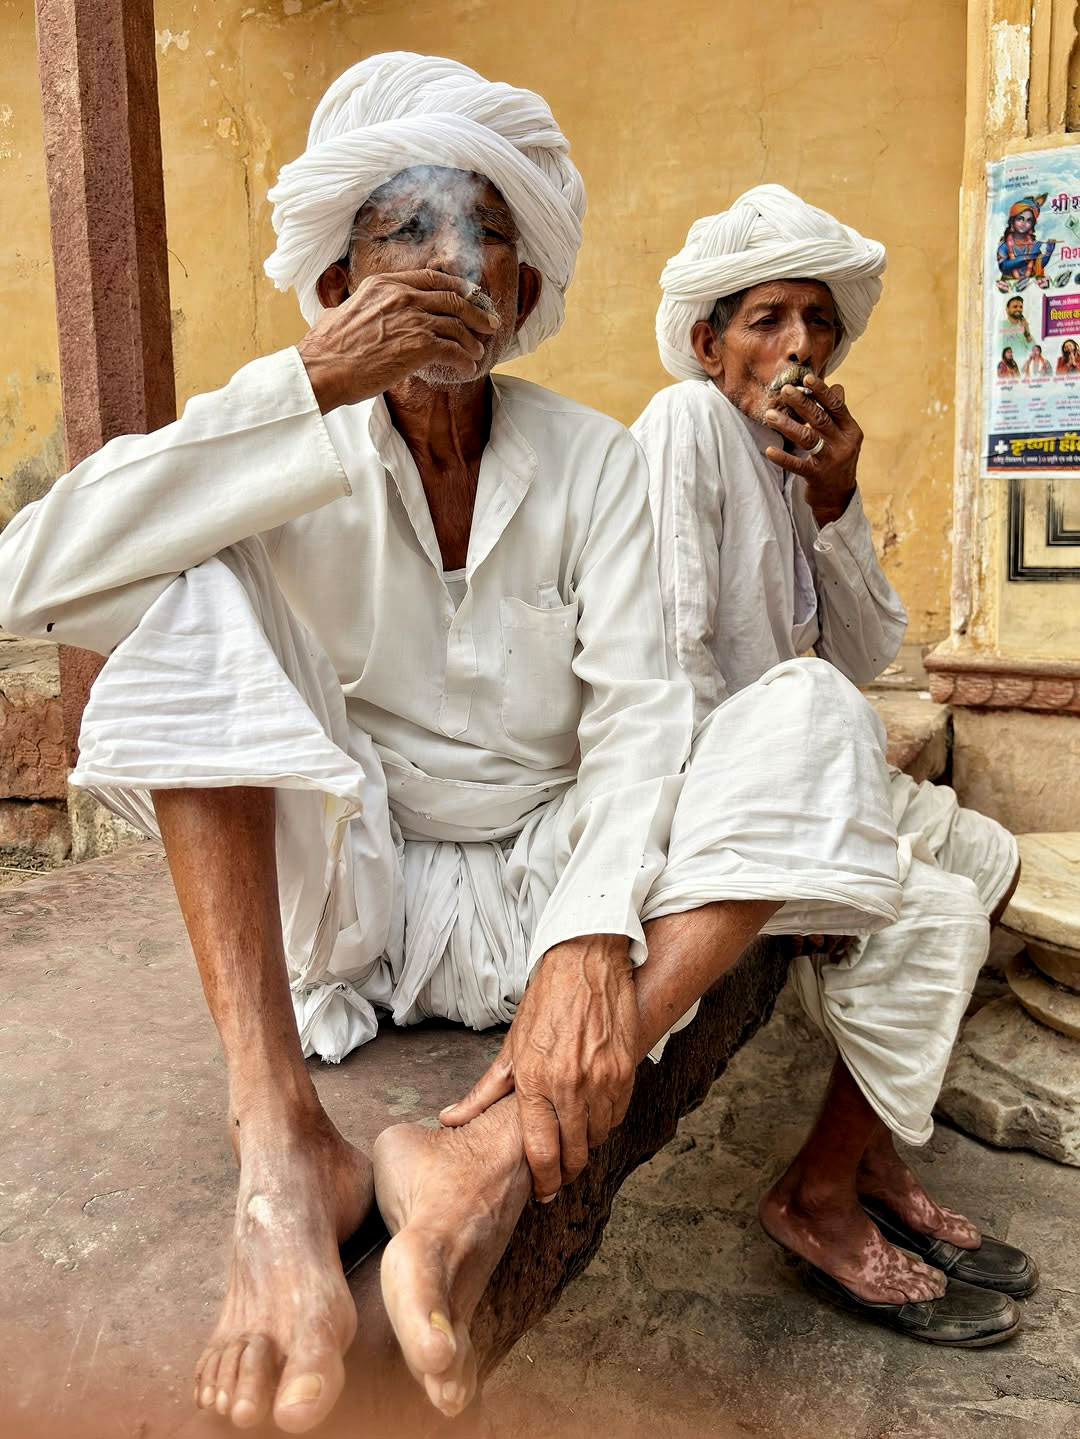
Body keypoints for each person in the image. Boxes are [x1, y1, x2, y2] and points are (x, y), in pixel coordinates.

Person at [0, 60, 907, 1434]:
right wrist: (311, 380)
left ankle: (480, 1153)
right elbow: (28, 577)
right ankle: (283, 1150)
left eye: (484, 234)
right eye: (406, 231)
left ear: (523, 292)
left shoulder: (596, 459)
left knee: (814, 712)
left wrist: (588, 937)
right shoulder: (286, 436)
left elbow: (642, 714)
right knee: (189, 598)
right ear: (337, 284)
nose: (451, 263)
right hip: (350, 889)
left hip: (550, 890)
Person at [632, 184, 1035, 1348]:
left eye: (817, 319)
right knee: (937, 914)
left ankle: (867, 1158)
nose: (800, 343)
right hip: (725, 792)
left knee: (987, 855)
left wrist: (838, 497)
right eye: (766, 319)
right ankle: (815, 1195)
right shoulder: (686, 423)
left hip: (808, 764)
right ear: (708, 341)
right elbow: (665, 661)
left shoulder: (800, 461)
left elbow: (865, 652)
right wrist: (774, 853)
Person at [996, 194, 1055, 291]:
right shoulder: (1005, 245)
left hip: (1031, 286)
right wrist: (1027, 257)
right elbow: (1004, 267)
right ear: (1012, 221)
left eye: (1029, 220)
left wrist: (1048, 253)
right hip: (1010, 286)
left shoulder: (1034, 244)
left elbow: (1038, 265)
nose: (1024, 223)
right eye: (1020, 219)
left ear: (1032, 225)